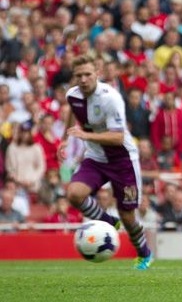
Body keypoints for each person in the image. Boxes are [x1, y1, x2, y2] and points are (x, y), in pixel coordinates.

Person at [58, 54, 153, 270]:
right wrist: (65, 139)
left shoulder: (111, 98)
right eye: (79, 75)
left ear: (97, 74)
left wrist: (85, 136)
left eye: (87, 74)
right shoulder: (73, 95)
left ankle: (144, 253)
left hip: (123, 160)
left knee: (128, 215)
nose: (83, 79)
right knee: (74, 194)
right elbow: (72, 112)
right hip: (96, 158)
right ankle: (109, 223)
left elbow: (118, 137)